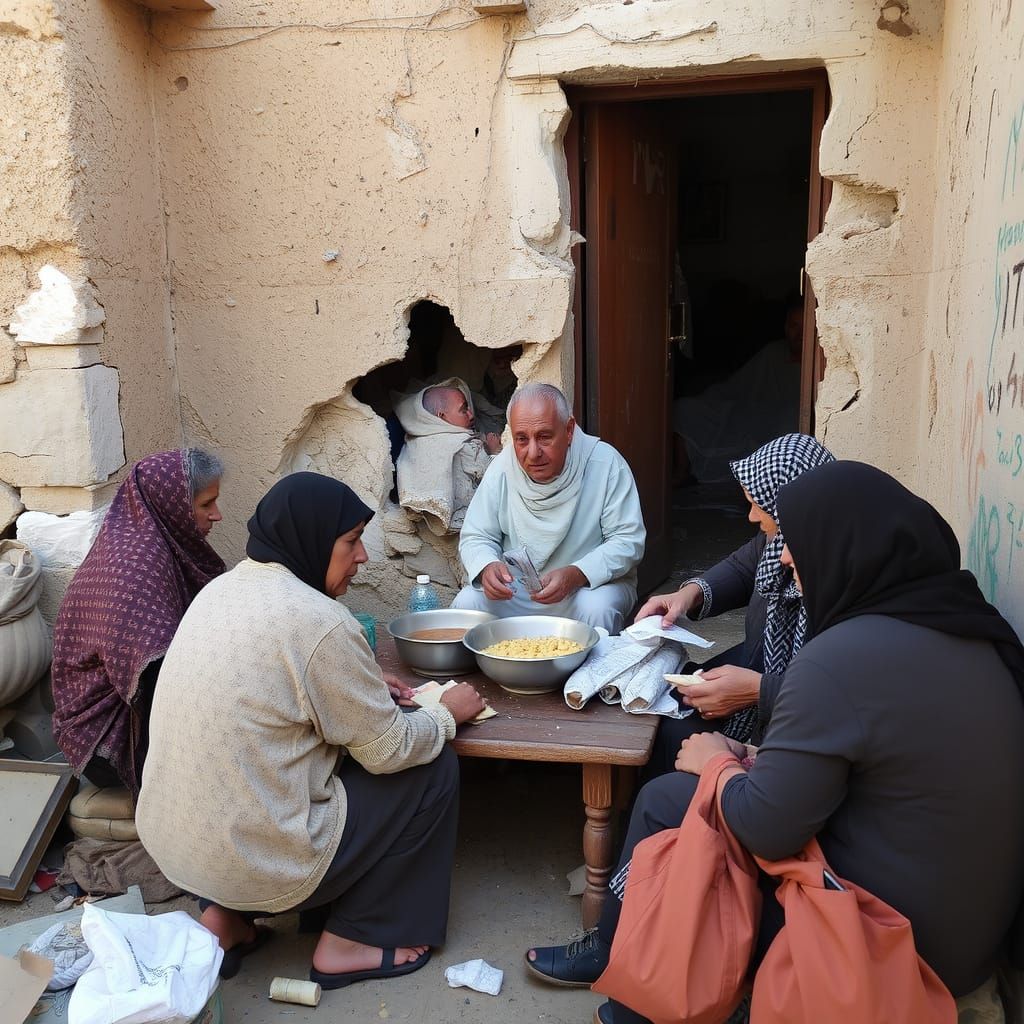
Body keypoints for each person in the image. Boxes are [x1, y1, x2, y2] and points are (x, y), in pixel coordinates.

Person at [528, 461, 1024, 1022]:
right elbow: (892, 768)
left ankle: (636, 983)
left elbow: (766, 827)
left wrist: (719, 764)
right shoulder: (967, 628)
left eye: (797, 542)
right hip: (967, 939)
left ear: (844, 549)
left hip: (887, 945)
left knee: (671, 800)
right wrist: (759, 758)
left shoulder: (839, 660)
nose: (784, 556)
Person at [136, 472, 486, 987]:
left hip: (176, 849)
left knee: (240, 773)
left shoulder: (219, 591)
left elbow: (270, 696)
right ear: (312, 540)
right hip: (258, 861)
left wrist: (359, 685)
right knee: (431, 765)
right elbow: (390, 750)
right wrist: (447, 712)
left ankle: (225, 919)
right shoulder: (319, 620)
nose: (362, 556)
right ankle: (355, 938)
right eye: (349, 541)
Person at [637, 433, 834, 774]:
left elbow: (838, 694)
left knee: (676, 732)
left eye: (760, 506)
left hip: (799, 705)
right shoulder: (779, 540)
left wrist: (758, 690)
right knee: (667, 701)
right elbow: (745, 567)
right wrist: (688, 595)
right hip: (761, 662)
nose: (752, 517)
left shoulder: (836, 581)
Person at [51, 448, 226, 798]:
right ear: (173, 505)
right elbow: (156, 682)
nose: (217, 516)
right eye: (206, 505)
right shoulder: (135, 568)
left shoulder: (150, 541)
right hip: (105, 742)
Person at [452, 382, 646, 634]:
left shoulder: (605, 463)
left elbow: (627, 541)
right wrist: (487, 566)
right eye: (522, 439)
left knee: (598, 607)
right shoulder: (502, 467)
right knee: (467, 603)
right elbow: (477, 535)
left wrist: (577, 573)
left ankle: (591, 674)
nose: (533, 453)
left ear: (569, 431)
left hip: (586, 588)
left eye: (544, 437)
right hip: (519, 593)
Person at [672, 299, 803, 484]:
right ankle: (681, 473)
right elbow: (738, 386)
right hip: (750, 413)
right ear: (785, 327)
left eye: (805, 327)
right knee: (684, 408)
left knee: (791, 419)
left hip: (784, 423)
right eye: (794, 326)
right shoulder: (773, 352)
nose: (799, 334)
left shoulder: (816, 362)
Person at [394, 378, 502, 535]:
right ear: (442, 416)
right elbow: (489, 476)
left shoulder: (416, 440)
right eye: (464, 410)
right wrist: (493, 451)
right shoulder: (463, 444)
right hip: (467, 520)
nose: (471, 415)